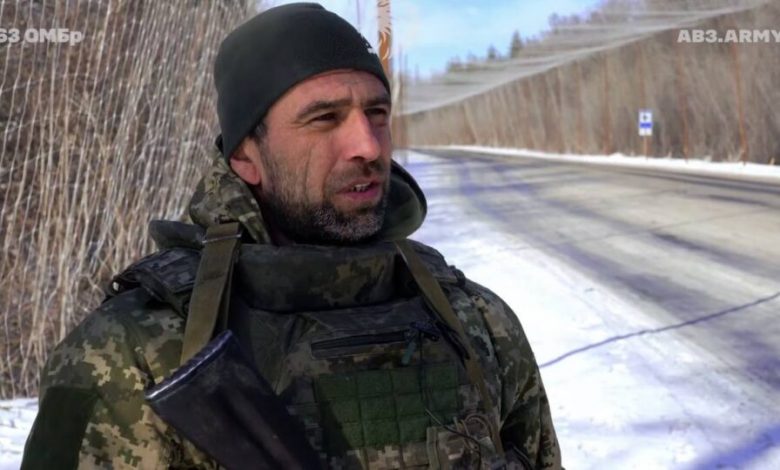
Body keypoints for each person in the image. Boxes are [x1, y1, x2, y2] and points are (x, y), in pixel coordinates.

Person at [21, 3, 561, 469]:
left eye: (377, 113)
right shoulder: (137, 352)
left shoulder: (476, 321)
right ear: (245, 156)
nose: (368, 146)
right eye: (324, 119)